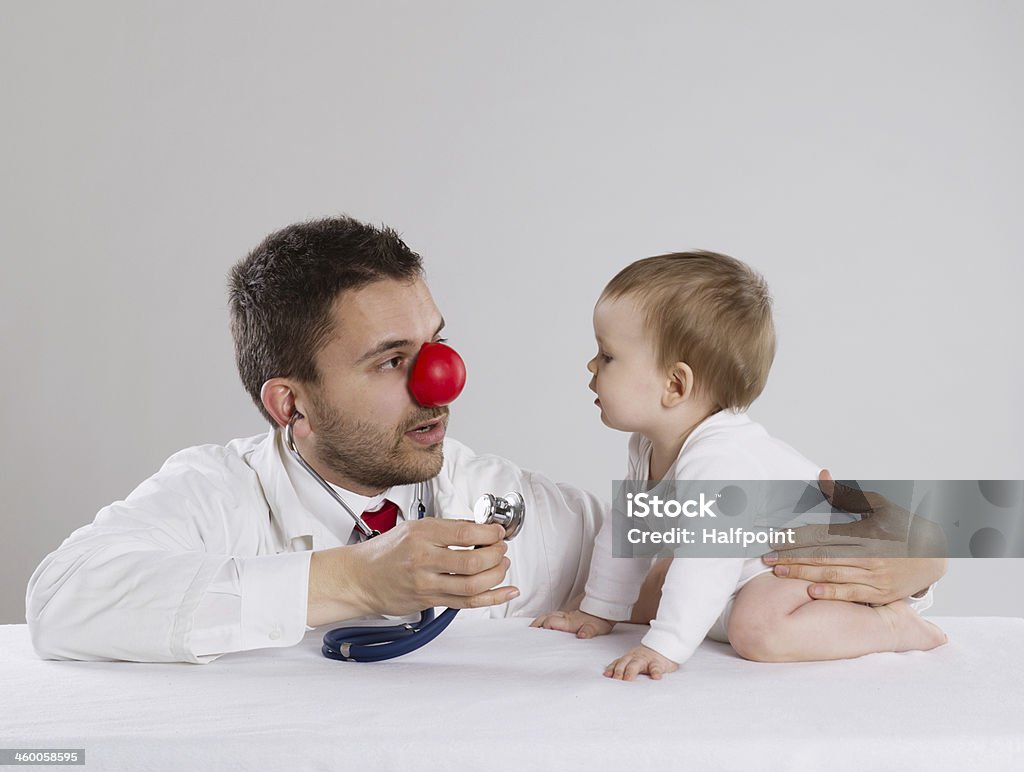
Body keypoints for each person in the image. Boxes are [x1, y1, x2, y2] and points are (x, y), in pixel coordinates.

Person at [25, 217, 944, 663]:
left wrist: (913, 550)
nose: (441, 383)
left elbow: (672, 554)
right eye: (393, 361)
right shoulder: (213, 494)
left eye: (436, 346)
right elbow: (60, 602)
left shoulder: (500, 495)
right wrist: (349, 580)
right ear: (287, 402)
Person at [532, 252, 947, 680]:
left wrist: (665, 646)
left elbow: (705, 560)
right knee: (657, 585)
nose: (591, 365)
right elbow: (628, 531)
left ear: (675, 385)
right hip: (754, 568)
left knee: (756, 629)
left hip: (807, 564)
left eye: (607, 356)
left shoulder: (719, 459)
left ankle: (890, 625)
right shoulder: (647, 446)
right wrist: (599, 613)